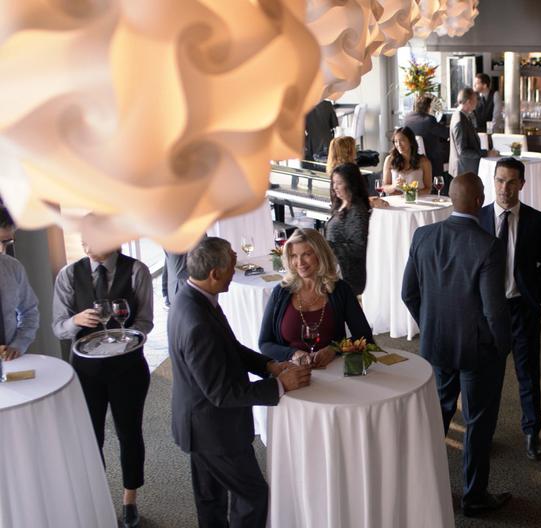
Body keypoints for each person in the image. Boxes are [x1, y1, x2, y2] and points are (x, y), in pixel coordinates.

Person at [169, 237, 311, 528]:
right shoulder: (198, 323)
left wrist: (268, 365)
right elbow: (223, 393)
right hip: (214, 431)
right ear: (215, 274)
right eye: (232, 267)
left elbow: (229, 347)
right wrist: (281, 384)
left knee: (210, 498)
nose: (235, 272)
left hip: (196, 423)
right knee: (253, 496)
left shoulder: (191, 297)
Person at [402, 173, 512, 517]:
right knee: (478, 422)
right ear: (480, 201)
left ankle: (422, 489)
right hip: (479, 350)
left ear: (450, 197)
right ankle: (474, 496)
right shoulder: (488, 245)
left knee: (436, 418)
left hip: (436, 345)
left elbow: (409, 293)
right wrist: (503, 345)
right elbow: (494, 310)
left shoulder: (423, 236)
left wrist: (431, 325)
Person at [51, 240, 155, 528]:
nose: (85, 244)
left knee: (129, 432)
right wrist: (76, 320)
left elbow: (146, 321)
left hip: (128, 367)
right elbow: (58, 327)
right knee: (89, 435)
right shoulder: (69, 275)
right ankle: (97, 499)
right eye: (83, 238)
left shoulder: (137, 271)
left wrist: (127, 335)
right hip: (86, 369)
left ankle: (129, 500)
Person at [478, 157, 541, 460]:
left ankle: (532, 431)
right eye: (500, 180)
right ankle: (484, 432)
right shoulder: (479, 218)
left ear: (522, 184)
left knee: (528, 373)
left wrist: (539, 300)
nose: (504, 188)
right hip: (488, 312)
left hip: (522, 308)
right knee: (487, 376)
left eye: (511, 182)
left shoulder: (536, 220)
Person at [259, 228, 374, 364]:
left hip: (333, 369)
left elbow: (364, 336)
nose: (300, 262)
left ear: (320, 255)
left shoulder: (340, 290)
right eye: (294, 256)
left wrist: (334, 349)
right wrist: (293, 354)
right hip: (292, 371)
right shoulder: (281, 292)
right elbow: (264, 343)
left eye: (306, 254)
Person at [325, 163, 372, 296]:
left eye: (339, 183)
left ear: (351, 184)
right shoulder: (341, 204)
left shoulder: (357, 211)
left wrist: (329, 246)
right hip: (336, 271)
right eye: (333, 182)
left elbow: (359, 248)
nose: (335, 187)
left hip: (348, 276)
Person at [0, 207, 39, 361]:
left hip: (12, 362)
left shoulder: (13, 267)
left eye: (6, 241)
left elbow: (29, 311)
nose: (2, 249)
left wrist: (18, 345)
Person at [449, 87, 497, 177]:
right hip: (464, 169)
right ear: (468, 102)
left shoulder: (463, 116)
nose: (477, 103)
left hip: (466, 168)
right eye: (475, 100)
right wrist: (486, 153)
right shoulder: (459, 119)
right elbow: (463, 151)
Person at [404, 93, 449, 177]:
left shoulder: (407, 118)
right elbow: (446, 133)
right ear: (428, 107)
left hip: (413, 156)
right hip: (431, 157)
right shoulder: (429, 120)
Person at [382, 126, 432, 196]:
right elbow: (384, 187)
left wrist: (410, 193)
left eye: (402, 140)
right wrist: (393, 186)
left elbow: (428, 188)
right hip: (396, 202)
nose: (398, 144)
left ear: (411, 141)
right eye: (396, 141)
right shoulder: (389, 160)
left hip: (418, 202)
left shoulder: (424, 161)